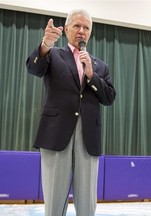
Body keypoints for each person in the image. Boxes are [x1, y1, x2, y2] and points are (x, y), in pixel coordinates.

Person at [26, 9, 116, 216]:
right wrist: (45, 44)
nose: (81, 31)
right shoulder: (52, 54)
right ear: (66, 29)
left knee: (87, 204)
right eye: (77, 26)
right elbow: (33, 68)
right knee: (54, 202)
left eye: (86, 27)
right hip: (56, 133)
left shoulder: (100, 65)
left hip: (88, 137)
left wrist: (92, 76)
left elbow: (109, 97)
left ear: (90, 33)